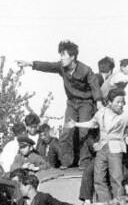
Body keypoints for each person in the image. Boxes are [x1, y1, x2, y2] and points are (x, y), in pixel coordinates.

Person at [17, 40, 104, 169]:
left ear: (73, 56)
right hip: (71, 103)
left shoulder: (85, 70)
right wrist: (30, 64)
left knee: (83, 132)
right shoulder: (61, 67)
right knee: (66, 131)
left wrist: (99, 102)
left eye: (64, 55)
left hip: (86, 103)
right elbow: (48, 66)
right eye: (61, 55)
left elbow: (94, 85)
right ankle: (67, 161)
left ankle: (84, 161)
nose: (61, 58)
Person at [66, 88, 128, 202]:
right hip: (102, 149)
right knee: (98, 178)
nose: (121, 105)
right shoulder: (101, 113)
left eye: (122, 102)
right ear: (110, 102)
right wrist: (76, 124)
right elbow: (92, 123)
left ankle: (119, 203)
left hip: (116, 149)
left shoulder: (124, 115)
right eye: (118, 102)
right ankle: (106, 204)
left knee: (116, 178)